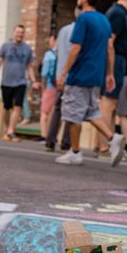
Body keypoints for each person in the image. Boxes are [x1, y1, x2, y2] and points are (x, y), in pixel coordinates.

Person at [54, 0, 125, 167]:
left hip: (80, 74)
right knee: (91, 111)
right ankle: (113, 137)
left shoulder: (83, 19)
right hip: (96, 76)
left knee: (72, 113)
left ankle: (75, 152)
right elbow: (110, 48)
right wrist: (109, 74)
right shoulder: (104, 20)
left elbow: (76, 47)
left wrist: (63, 73)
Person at [96, 0, 127, 158]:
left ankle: (106, 145)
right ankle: (104, 146)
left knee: (110, 105)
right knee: (108, 104)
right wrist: (110, 71)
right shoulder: (118, 14)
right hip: (116, 61)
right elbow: (109, 42)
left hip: (116, 61)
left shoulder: (117, 13)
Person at [0, 25, 38, 141]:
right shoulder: (5, 46)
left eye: (22, 32)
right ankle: (7, 128)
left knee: (18, 106)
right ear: (13, 33)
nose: (20, 34)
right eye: (18, 32)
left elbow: (29, 67)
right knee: (6, 107)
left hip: (21, 82)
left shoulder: (27, 48)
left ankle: (11, 130)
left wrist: (33, 81)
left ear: (24, 34)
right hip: (6, 82)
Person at [45, 10, 78, 153]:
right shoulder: (78, 31)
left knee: (58, 109)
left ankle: (50, 141)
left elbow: (57, 53)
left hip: (60, 76)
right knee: (70, 111)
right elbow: (76, 52)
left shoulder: (63, 30)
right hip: (71, 76)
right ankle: (66, 143)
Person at [39, 35, 57, 143]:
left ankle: (44, 135)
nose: (49, 43)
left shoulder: (49, 55)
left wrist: (43, 88)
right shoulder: (62, 53)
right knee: (54, 112)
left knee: (44, 112)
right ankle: (53, 136)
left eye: (50, 40)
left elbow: (44, 73)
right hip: (59, 87)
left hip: (50, 86)